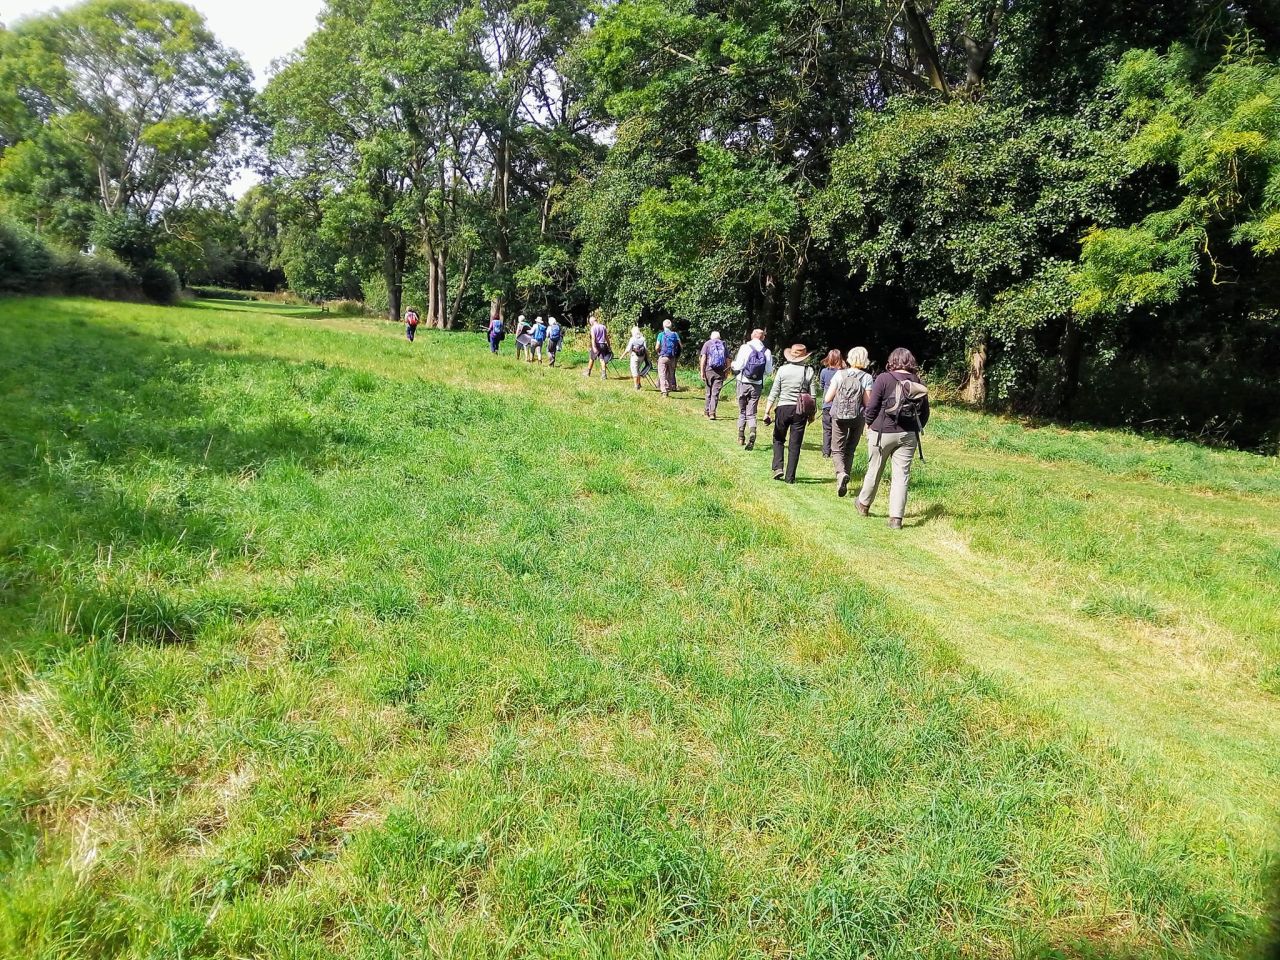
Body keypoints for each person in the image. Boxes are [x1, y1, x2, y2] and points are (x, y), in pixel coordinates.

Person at [856, 347, 930, 529]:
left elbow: (872, 406)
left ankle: (863, 504)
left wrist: (868, 423)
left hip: (882, 433)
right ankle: (896, 519)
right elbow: (925, 413)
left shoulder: (883, 378)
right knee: (901, 476)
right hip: (909, 435)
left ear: (892, 361)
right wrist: (914, 428)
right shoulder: (917, 381)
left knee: (874, 469)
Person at [824, 346, 875, 498]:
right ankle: (846, 474)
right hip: (857, 417)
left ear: (849, 358)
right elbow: (868, 403)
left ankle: (841, 473)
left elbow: (827, 398)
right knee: (850, 448)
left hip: (839, 416)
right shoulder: (867, 378)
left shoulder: (840, 374)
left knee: (837, 448)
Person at [762, 344, 816, 483]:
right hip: (800, 410)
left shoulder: (782, 370)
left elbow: (774, 391)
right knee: (795, 444)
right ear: (804, 357)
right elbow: (813, 396)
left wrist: (767, 411)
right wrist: (812, 414)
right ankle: (790, 477)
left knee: (778, 438)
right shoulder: (808, 371)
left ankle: (778, 467)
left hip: (783, 408)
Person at [731, 329, 773, 449]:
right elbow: (769, 371)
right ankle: (753, 431)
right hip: (757, 385)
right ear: (763, 338)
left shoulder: (745, 347)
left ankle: (740, 437)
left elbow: (739, 365)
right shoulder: (767, 351)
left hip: (743, 382)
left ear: (752, 336)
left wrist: (733, 364)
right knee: (752, 412)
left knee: (742, 411)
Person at [818, 349, 847, 457]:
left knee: (827, 429)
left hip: (827, 404)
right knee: (838, 430)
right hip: (840, 405)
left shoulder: (824, 372)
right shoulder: (844, 373)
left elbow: (821, 386)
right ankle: (837, 452)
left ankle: (826, 452)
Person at [699, 331, 729, 419]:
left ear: (711, 337)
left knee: (708, 392)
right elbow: (727, 359)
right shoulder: (723, 344)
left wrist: (702, 371)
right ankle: (712, 413)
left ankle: (706, 411)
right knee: (715, 393)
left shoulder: (707, 344)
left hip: (709, 370)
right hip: (720, 372)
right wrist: (727, 372)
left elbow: (703, 358)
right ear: (719, 338)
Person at [655, 319, 682, 396]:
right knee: (670, 374)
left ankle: (664, 391)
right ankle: (668, 388)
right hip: (672, 357)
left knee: (662, 374)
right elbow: (681, 346)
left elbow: (657, 347)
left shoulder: (661, 335)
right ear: (671, 326)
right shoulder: (675, 334)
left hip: (663, 356)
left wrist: (659, 352)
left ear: (663, 326)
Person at [585, 312, 611, 379]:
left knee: (592, 358)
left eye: (590, 323)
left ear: (591, 322)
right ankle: (604, 375)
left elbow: (593, 338)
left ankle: (588, 373)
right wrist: (609, 346)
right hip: (603, 344)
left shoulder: (593, 328)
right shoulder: (603, 327)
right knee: (602, 359)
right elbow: (606, 337)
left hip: (596, 344)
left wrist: (594, 347)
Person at [622, 326, 649, 390]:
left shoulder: (632, 339)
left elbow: (628, 349)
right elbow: (646, 349)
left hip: (635, 356)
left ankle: (636, 386)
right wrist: (647, 357)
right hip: (642, 357)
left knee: (634, 370)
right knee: (637, 369)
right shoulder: (643, 338)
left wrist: (622, 356)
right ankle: (639, 383)